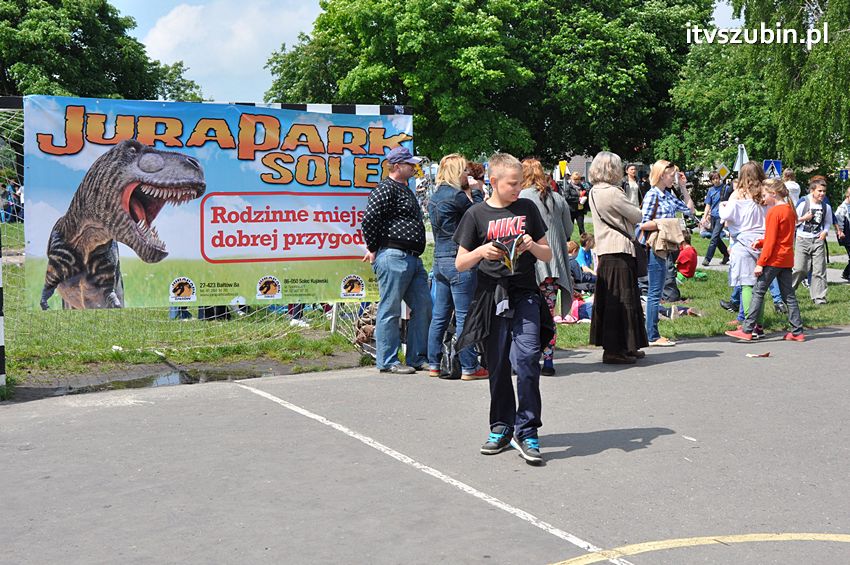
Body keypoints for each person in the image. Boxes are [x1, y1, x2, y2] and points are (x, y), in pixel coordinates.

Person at [454, 153, 553, 465]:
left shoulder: (528, 208)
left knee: (526, 358)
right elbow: (460, 262)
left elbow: (548, 253)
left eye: (520, 183)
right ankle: (501, 426)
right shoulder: (475, 214)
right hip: (490, 296)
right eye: (512, 184)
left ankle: (528, 430)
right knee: (497, 364)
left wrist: (531, 247)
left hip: (524, 293)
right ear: (493, 182)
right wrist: (482, 251)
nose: (518, 189)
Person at [362, 146, 432, 374]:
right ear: (398, 166)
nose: (414, 168)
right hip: (393, 255)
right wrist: (373, 246)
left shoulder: (404, 189)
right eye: (410, 164)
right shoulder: (385, 188)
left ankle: (416, 357)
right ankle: (388, 361)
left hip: (412, 258)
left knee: (423, 305)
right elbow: (370, 218)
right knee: (390, 308)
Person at [426, 154, 488, 380]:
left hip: (439, 259)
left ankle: (434, 363)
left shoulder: (434, 198)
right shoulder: (457, 196)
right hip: (459, 260)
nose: (466, 175)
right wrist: (478, 191)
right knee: (465, 315)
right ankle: (469, 367)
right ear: (455, 173)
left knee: (440, 315)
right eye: (463, 171)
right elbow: (481, 215)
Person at [588, 151, 648, 364]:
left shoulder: (593, 192)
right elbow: (637, 215)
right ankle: (617, 349)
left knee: (614, 300)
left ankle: (624, 346)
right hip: (619, 249)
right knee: (623, 301)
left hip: (605, 249)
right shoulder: (613, 192)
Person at [726, 179, 805, 342]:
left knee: (758, 291)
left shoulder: (774, 212)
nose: (762, 198)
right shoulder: (790, 210)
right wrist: (760, 242)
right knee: (789, 295)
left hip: (774, 260)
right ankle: (797, 332)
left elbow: (771, 242)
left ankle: (747, 330)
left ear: (773, 194)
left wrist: (761, 263)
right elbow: (780, 238)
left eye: (764, 195)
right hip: (786, 259)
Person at [519, 157, 573, 376]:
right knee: (548, 315)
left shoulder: (522, 198)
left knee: (527, 314)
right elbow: (568, 231)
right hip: (553, 267)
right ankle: (548, 360)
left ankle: (528, 357)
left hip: (530, 267)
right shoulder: (558, 198)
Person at [640, 160, 695, 347]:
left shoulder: (667, 195)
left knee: (658, 290)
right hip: (655, 247)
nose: (674, 178)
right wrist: (665, 223)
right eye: (672, 175)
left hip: (666, 247)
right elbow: (642, 223)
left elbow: (690, 210)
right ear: (661, 175)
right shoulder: (652, 195)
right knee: (655, 292)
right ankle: (652, 335)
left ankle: (652, 333)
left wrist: (683, 187)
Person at [719, 161, 768, 335]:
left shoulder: (738, 195)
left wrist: (722, 205)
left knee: (747, 284)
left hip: (743, 240)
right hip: (763, 241)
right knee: (760, 287)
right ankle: (760, 324)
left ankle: (750, 324)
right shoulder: (766, 194)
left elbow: (725, 215)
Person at [791, 175, 834, 304]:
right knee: (800, 268)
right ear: (812, 191)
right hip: (802, 239)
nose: (822, 194)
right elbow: (793, 221)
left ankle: (819, 297)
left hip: (817, 240)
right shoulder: (803, 202)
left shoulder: (826, 207)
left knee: (819, 270)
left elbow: (827, 223)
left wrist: (825, 232)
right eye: (819, 191)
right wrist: (805, 218)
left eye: (824, 191)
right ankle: (788, 291)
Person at [701, 172, 730, 265]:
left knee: (714, 238)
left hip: (721, 216)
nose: (716, 180)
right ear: (711, 181)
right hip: (713, 216)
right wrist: (704, 217)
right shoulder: (711, 190)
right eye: (713, 179)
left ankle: (707, 259)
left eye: (717, 178)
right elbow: (708, 204)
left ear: (720, 178)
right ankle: (726, 255)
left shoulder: (726, 188)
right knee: (716, 238)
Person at [834, 186, 850, 281]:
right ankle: (846, 273)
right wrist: (840, 232)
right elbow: (838, 221)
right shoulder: (842, 208)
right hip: (846, 235)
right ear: (848, 195)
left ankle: (846, 273)